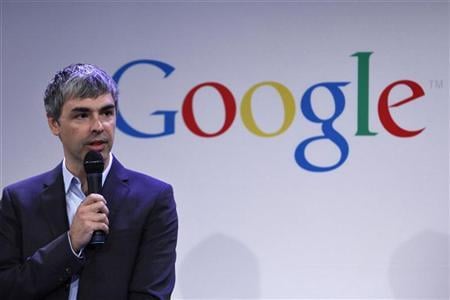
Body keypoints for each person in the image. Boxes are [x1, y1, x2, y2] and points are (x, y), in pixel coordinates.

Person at [0, 64, 178, 299]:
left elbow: (151, 294)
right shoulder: (19, 200)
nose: (98, 126)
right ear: (54, 124)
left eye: (107, 113)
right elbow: (6, 288)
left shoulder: (153, 199)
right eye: (82, 115)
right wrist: (70, 244)